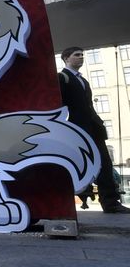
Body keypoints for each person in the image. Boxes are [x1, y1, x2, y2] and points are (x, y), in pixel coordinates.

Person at [59, 47, 130, 214]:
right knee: (77, 165)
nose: (81, 57)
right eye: (77, 55)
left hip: (94, 128)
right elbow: (58, 103)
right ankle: (62, 203)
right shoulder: (63, 77)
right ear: (66, 58)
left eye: (82, 55)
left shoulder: (83, 80)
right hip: (78, 128)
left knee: (105, 163)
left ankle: (111, 203)